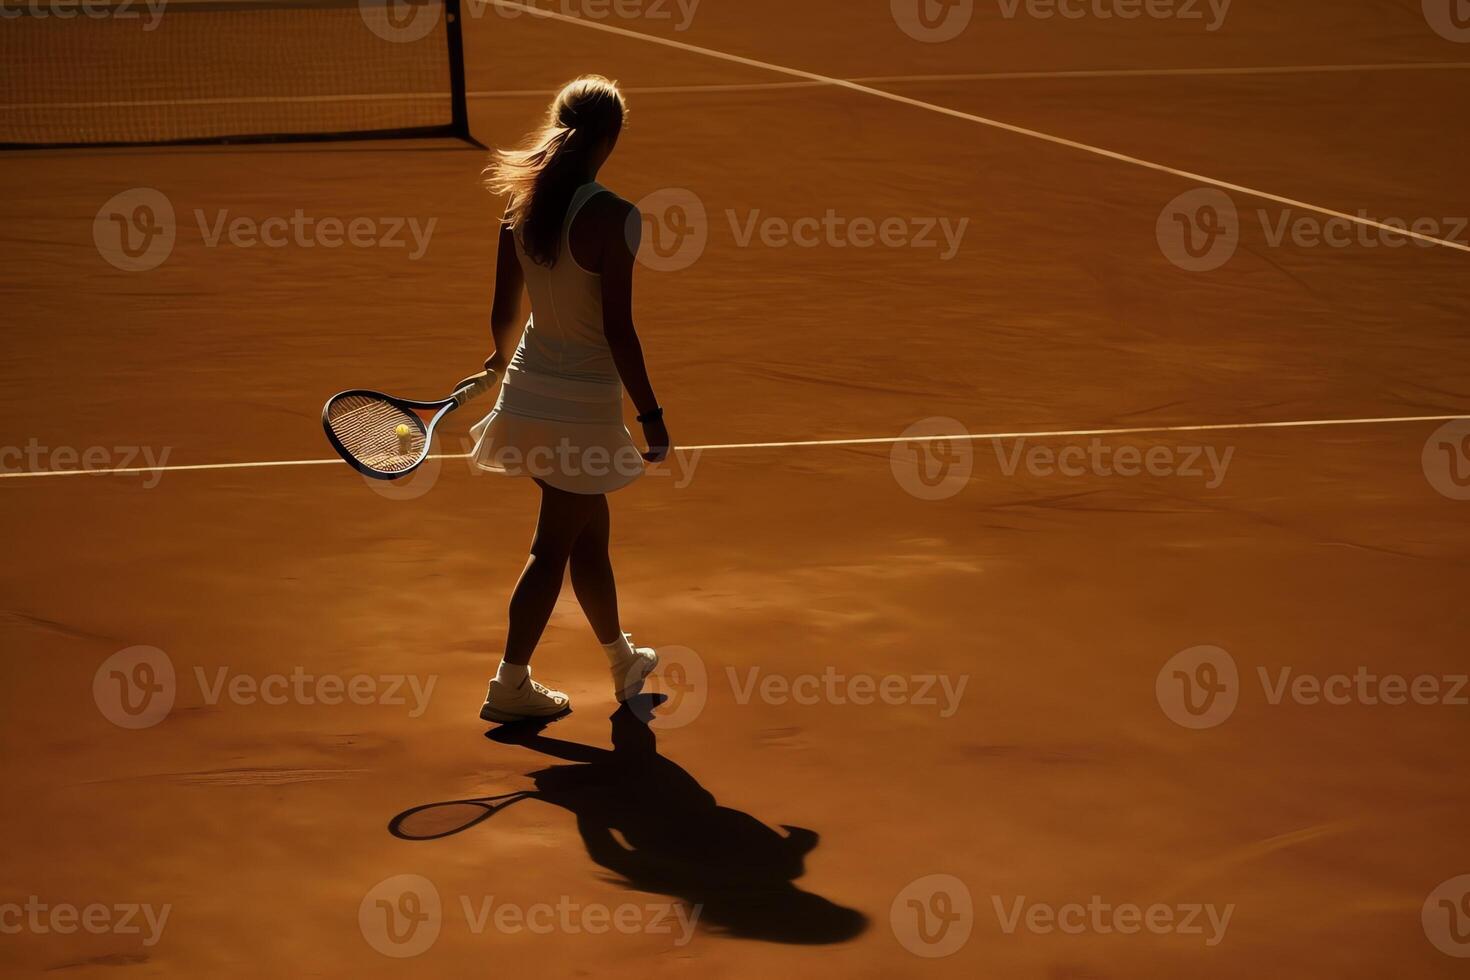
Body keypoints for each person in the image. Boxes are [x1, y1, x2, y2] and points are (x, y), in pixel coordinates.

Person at [472, 75, 670, 723]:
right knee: (551, 545)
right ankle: (509, 683)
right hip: (580, 409)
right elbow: (618, 330)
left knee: (587, 537)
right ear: (610, 138)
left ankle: (621, 661)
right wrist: (651, 415)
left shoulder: (520, 207)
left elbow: (505, 307)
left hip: (530, 393)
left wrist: (499, 362)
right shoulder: (616, 217)